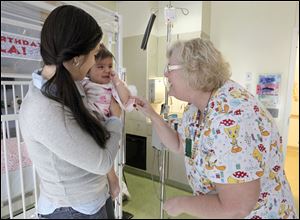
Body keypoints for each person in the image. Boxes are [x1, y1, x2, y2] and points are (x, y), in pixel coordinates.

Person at [134, 38, 298, 219]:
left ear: (194, 70)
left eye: (169, 69)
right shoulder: (194, 108)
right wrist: (152, 114)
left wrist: (182, 203)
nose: (165, 75)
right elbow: (181, 145)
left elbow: (237, 208)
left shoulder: (231, 119)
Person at [19, 5, 122, 219]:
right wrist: (115, 119)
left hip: (94, 197)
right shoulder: (43, 111)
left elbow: (92, 140)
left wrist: (111, 178)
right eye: (94, 56)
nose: (96, 63)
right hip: (74, 210)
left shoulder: (73, 87)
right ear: (76, 59)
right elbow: (101, 159)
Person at [81, 44, 135, 201]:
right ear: (89, 69)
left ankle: (112, 178)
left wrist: (118, 81)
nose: (107, 70)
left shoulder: (111, 87)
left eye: (110, 66)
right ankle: (112, 178)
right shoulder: (83, 83)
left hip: (105, 125)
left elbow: (127, 101)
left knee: (105, 150)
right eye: (101, 66)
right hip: (89, 122)